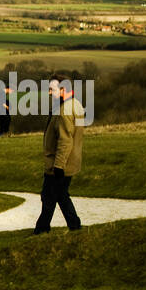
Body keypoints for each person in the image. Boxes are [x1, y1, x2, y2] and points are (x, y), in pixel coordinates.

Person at [34, 75, 84, 234]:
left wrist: (58, 166)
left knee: (48, 197)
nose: (49, 93)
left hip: (60, 164)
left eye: (52, 89)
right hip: (70, 162)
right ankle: (75, 226)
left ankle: (41, 231)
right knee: (61, 196)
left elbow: (65, 140)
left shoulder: (64, 111)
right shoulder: (75, 104)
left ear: (63, 90)